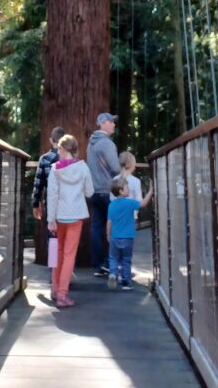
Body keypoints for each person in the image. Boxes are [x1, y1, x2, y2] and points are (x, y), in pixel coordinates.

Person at [47, 134, 94, 308]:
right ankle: (62, 295)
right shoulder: (83, 167)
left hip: (59, 216)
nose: (57, 151)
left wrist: (50, 219)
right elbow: (89, 192)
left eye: (59, 148)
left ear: (64, 149)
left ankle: (54, 289)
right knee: (68, 256)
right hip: (76, 216)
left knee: (56, 253)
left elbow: (52, 195)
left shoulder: (55, 169)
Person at [86, 112, 120, 275]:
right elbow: (115, 168)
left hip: (94, 191)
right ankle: (111, 263)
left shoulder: (91, 144)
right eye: (112, 122)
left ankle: (99, 265)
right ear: (103, 123)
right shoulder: (106, 144)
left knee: (97, 227)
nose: (114, 124)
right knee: (115, 226)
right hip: (108, 191)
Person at [106, 175, 153, 291]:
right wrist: (150, 191)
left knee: (113, 257)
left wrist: (108, 235)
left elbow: (109, 222)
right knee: (126, 259)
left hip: (114, 237)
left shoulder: (111, 205)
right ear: (121, 191)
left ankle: (113, 273)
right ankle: (126, 282)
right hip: (128, 237)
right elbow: (143, 204)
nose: (129, 190)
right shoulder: (130, 203)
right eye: (127, 188)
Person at [31, 126, 65, 222]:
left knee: (52, 233)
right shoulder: (69, 159)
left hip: (50, 202)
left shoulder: (45, 159)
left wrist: (35, 204)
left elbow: (38, 184)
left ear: (51, 140)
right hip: (68, 204)